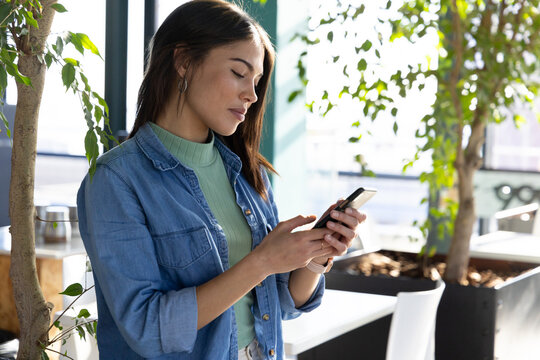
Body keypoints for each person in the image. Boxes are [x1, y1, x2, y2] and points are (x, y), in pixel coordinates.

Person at [77, 1, 366, 359]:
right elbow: (147, 328)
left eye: (257, 81)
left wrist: (315, 257)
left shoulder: (249, 173)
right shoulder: (116, 181)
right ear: (183, 61)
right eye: (238, 73)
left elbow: (278, 304)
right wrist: (262, 262)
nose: (252, 94)